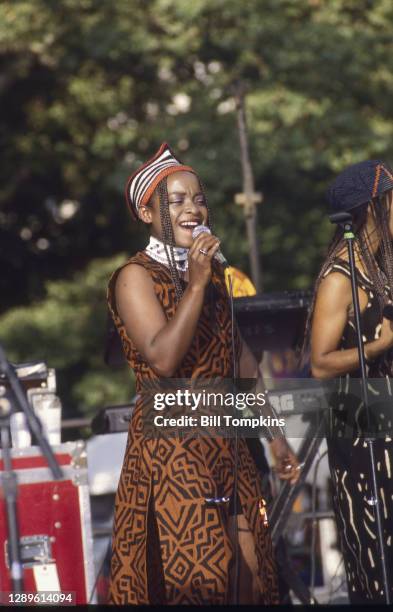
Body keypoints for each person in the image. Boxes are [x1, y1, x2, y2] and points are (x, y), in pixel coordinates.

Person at [107, 142, 299, 605]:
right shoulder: (133, 277)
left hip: (226, 439)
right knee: (201, 576)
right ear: (148, 214)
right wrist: (195, 283)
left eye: (198, 198)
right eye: (176, 201)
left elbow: (241, 361)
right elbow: (163, 359)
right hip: (173, 448)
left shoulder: (211, 276)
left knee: (254, 572)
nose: (193, 208)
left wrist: (274, 437)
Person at [308, 160, 393, 603]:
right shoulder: (340, 276)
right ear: (372, 209)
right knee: (378, 552)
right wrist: (378, 348)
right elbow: (320, 363)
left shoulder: (381, 266)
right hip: (360, 425)